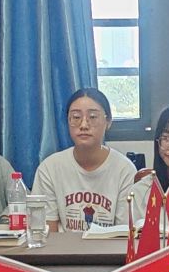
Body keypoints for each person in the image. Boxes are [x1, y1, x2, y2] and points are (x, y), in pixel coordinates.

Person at [31, 87, 137, 232]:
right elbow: (47, 233)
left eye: (92, 117)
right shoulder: (49, 169)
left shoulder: (124, 170)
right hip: (62, 246)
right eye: (76, 117)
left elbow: (124, 233)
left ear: (108, 122)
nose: (84, 125)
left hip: (110, 247)